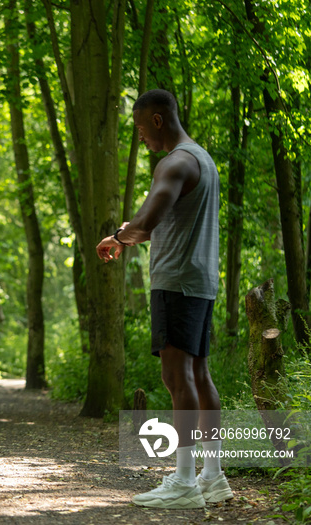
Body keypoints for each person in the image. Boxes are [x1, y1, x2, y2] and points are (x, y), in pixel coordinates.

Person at [96, 89, 233, 509]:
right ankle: (212, 476)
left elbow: (150, 219)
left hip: (175, 281)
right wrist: (136, 227)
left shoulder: (173, 162)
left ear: (157, 120)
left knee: (177, 379)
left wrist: (119, 237)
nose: (140, 136)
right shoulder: (202, 159)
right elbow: (166, 221)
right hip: (201, 280)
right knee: (199, 375)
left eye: (140, 127)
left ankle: (185, 482)